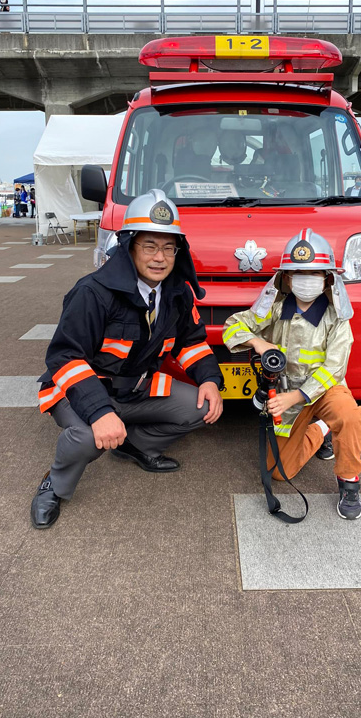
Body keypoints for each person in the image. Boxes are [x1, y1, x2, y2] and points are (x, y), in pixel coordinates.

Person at [31, 189, 223, 529]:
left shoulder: (177, 292)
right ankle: (55, 485)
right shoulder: (92, 292)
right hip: (80, 392)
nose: (160, 258)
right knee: (89, 438)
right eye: (149, 246)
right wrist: (101, 412)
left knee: (202, 408)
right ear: (129, 245)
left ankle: (135, 446)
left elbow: (191, 343)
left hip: (134, 390)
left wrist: (209, 380)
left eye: (168, 247)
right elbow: (65, 357)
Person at [223, 228, 361, 520]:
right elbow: (233, 326)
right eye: (298, 272)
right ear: (285, 277)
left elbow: (334, 368)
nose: (306, 279)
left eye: (313, 273)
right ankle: (321, 430)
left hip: (324, 390)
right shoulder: (274, 308)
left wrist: (296, 397)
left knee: (349, 415)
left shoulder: (337, 317)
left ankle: (349, 482)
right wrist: (258, 342)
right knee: (278, 472)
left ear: (327, 278)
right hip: (285, 391)